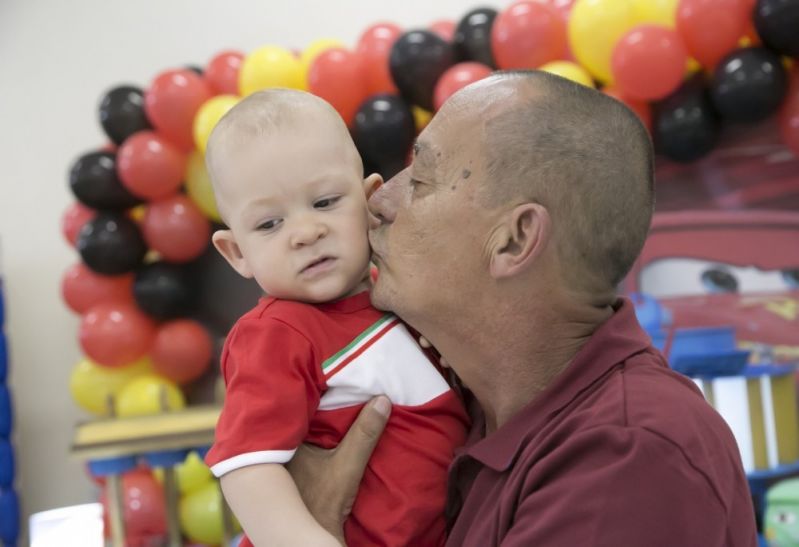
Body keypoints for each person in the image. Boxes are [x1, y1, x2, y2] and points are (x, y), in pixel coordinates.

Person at [287, 71, 759, 546]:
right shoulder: (460, 411)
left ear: (514, 240)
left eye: (421, 179)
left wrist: (313, 530)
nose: (377, 199)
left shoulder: (628, 450)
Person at [202, 89, 469, 546]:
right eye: (269, 224)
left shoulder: (401, 293)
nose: (306, 233)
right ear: (236, 252)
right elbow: (248, 468)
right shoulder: (278, 334)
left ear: (370, 202)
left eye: (325, 202)